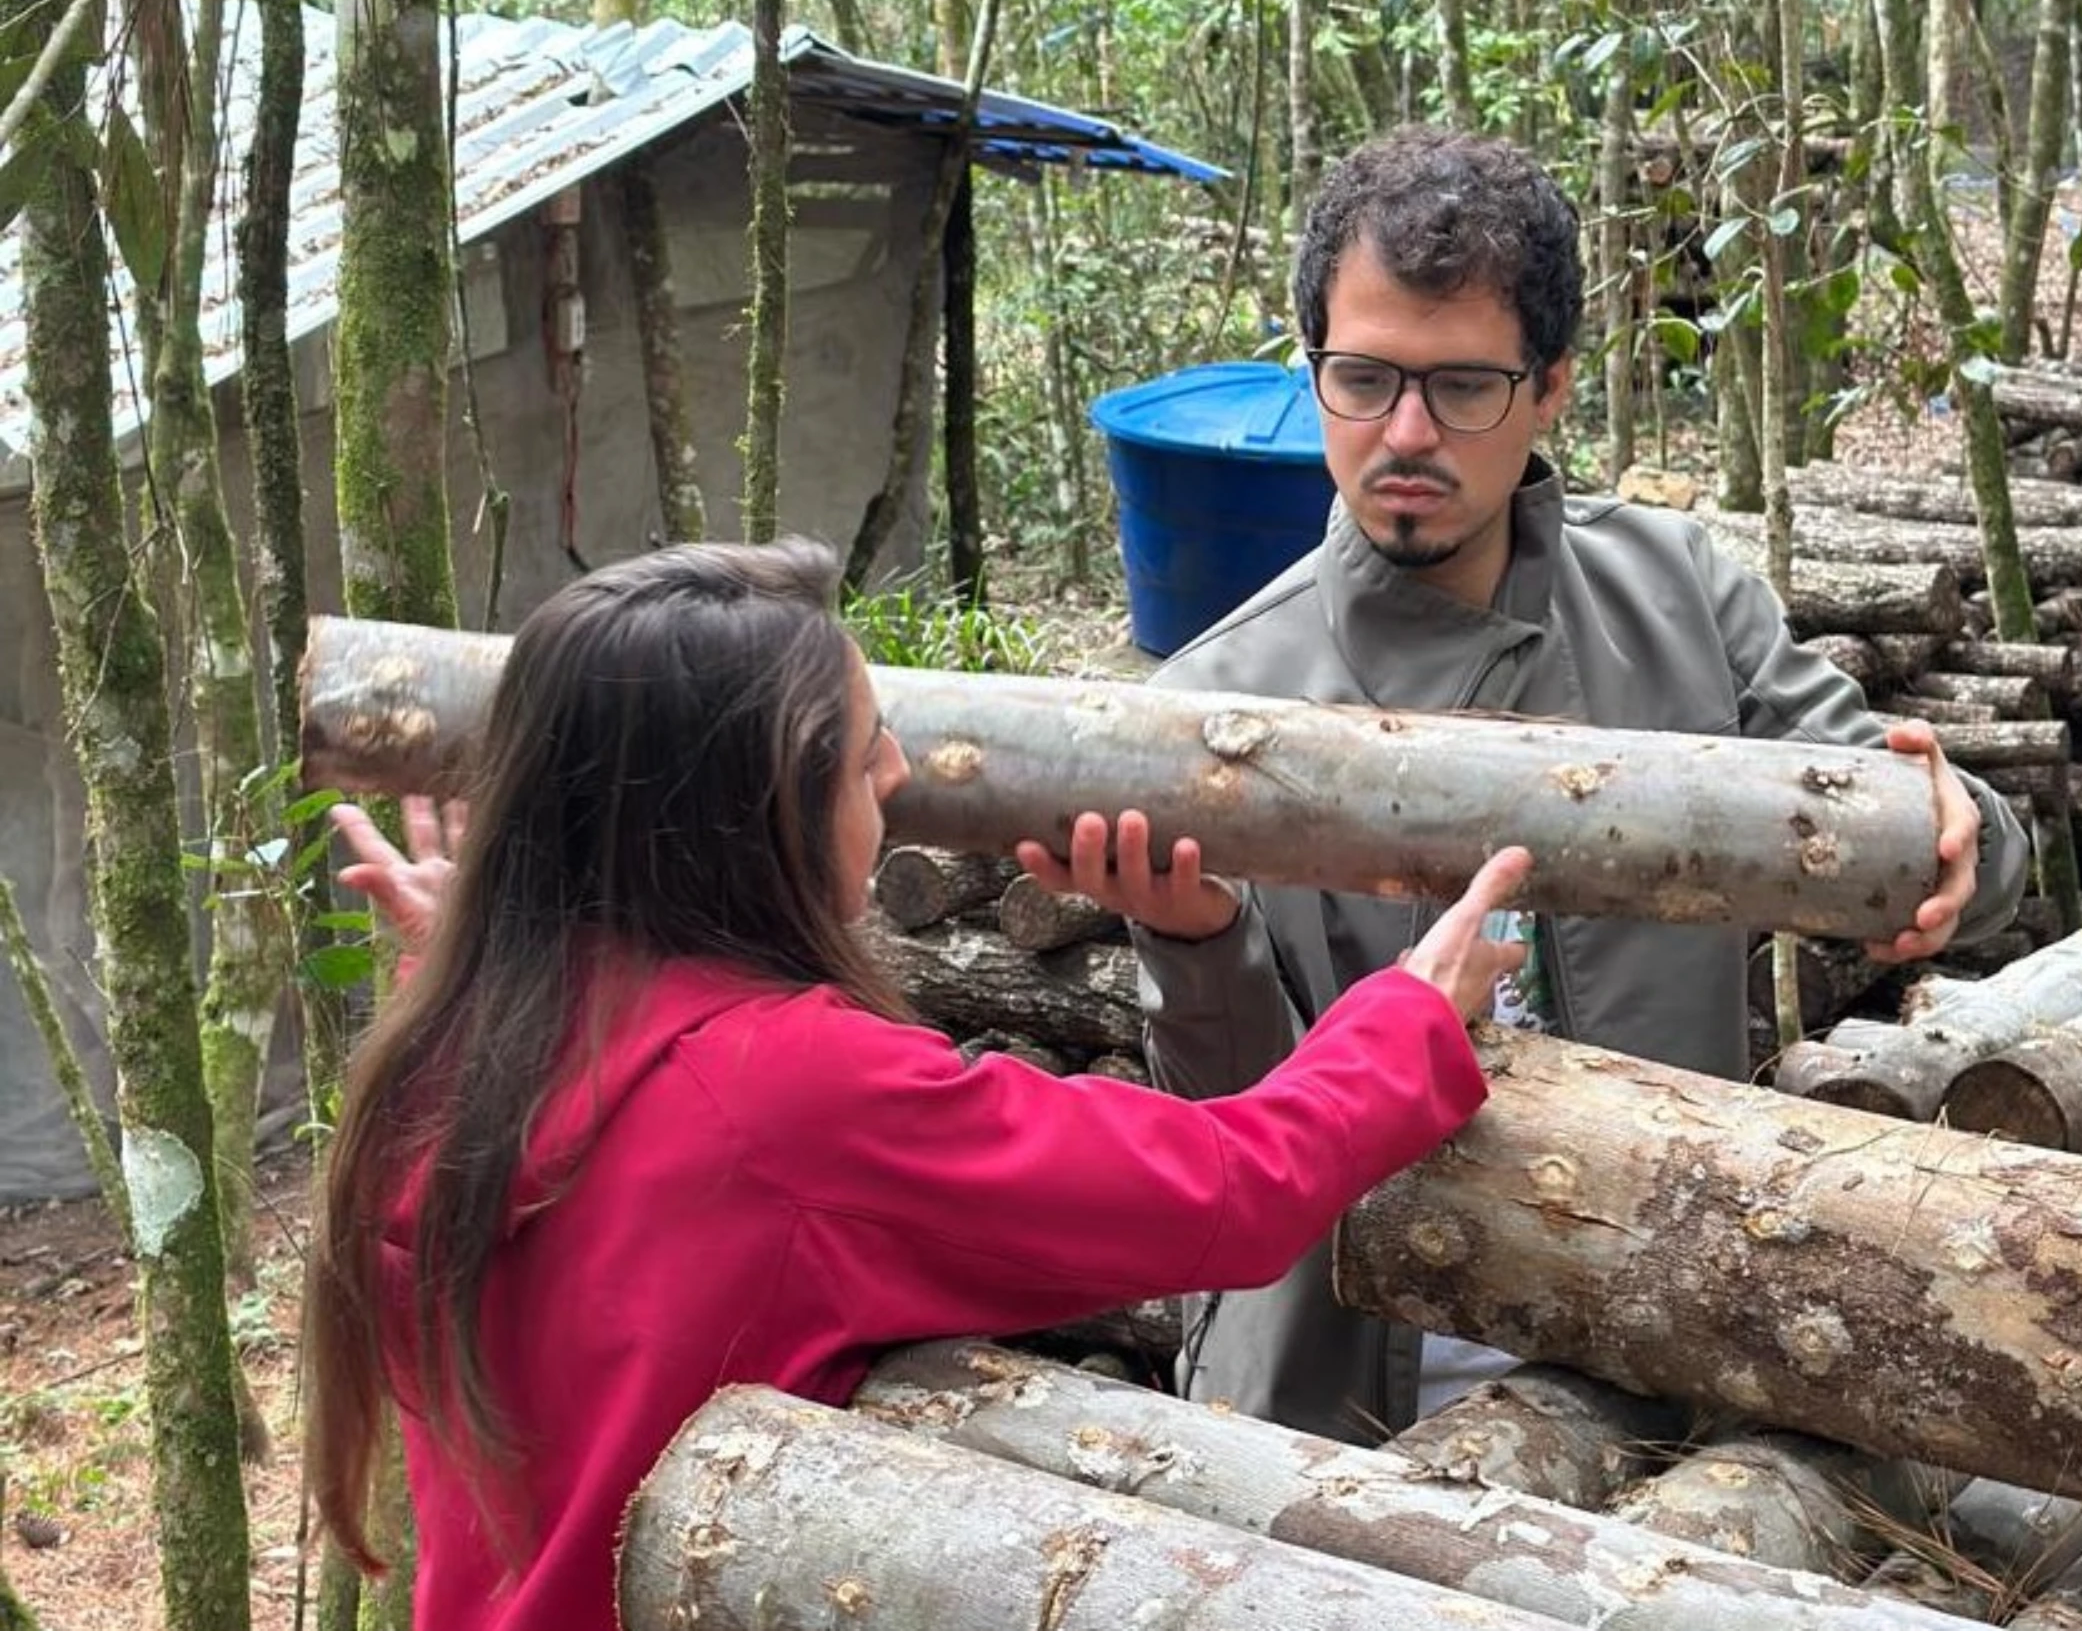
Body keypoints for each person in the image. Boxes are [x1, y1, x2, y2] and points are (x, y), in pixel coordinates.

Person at [301, 535, 1536, 1631]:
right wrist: (1411, 1011)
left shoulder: (457, 1047)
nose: (895, 772)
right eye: (856, 749)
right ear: (757, 808)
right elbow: (1228, 1189)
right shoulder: (784, 1092)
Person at [1016, 124, 2033, 1444]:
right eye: (1363, 378)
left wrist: (1964, 840)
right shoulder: (1216, 705)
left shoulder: (1686, 599)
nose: (1406, 433)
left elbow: (1951, 840)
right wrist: (1193, 942)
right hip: (1344, 1381)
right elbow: (1232, 1130)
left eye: (1463, 388)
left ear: (1551, 385)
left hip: (1660, 1338)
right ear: (1311, 367)